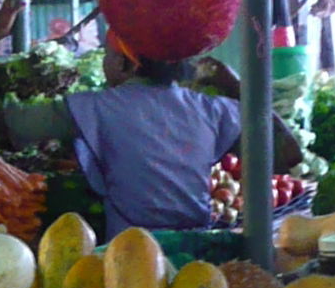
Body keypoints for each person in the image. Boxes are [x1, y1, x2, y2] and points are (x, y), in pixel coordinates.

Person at [65, 41, 242, 242]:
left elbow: (23, 123)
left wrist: (18, 13)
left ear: (124, 63)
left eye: (108, 54)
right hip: (195, 248)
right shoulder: (211, 108)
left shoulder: (99, 106)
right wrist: (232, 83)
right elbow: (275, 138)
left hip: (128, 249)